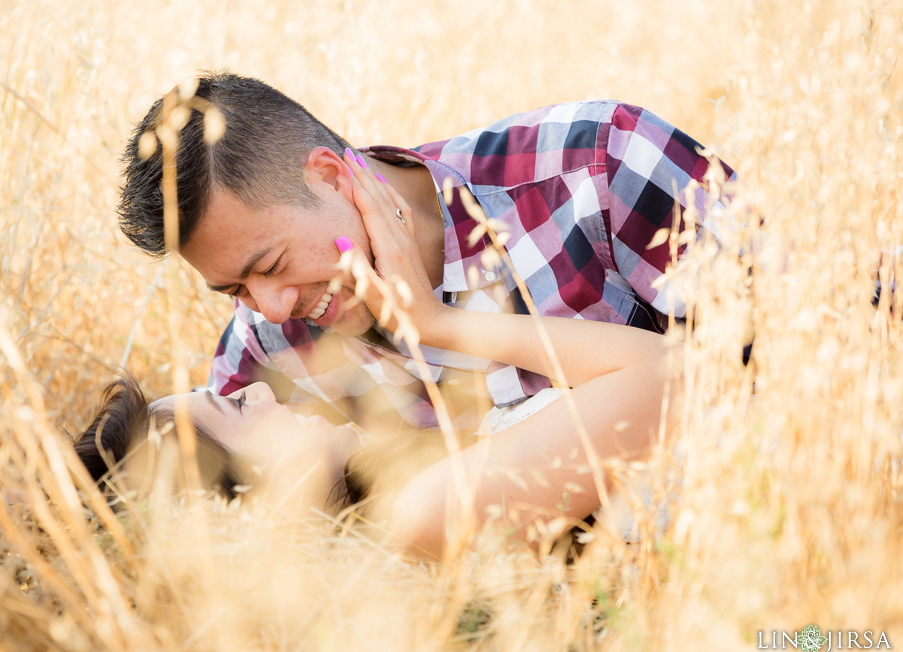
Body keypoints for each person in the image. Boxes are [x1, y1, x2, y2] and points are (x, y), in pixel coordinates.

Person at [80, 168, 686, 559]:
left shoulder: (411, 499)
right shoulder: (422, 513)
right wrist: (437, 324)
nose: (260, 391)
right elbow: (680, 376)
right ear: (256, 498)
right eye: (235, 404)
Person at [118, 73, 734, 434]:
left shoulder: (600, 165)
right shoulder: (265, 354)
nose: (272, 309)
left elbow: (797, 361)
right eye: (235, 291)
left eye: (272, 265)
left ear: (332, 177)